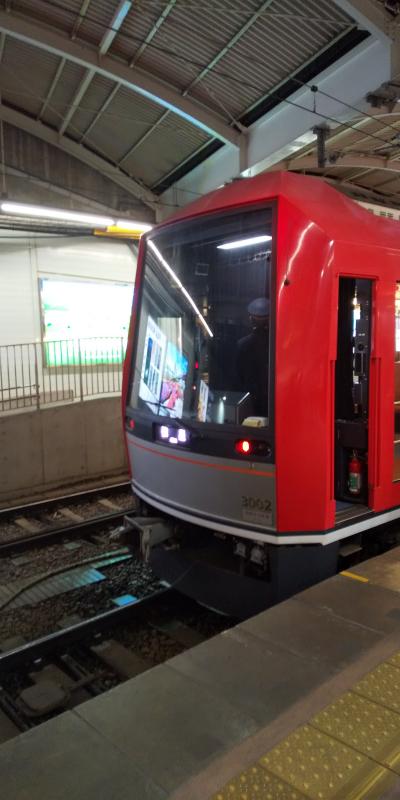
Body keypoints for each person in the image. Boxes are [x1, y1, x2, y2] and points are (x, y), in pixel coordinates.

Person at [237, 297, 270, 417]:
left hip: (249, 402)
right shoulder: (279, 344)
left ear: (251, 320)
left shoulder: (242, 345)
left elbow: (238, 377)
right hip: (273, 401)